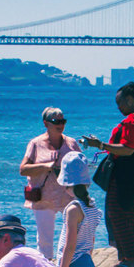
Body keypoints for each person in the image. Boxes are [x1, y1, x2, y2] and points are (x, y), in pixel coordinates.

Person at [82, 83, 134, 267]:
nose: (118, 107)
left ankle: (130, 259)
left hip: (126, 172)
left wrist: (100, 145)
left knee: (118, 214)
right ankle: (131, 259)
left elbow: (127, 149)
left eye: (120, 103)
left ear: (130, 100)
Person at [19, 106, 82, 259]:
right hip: (43, 197)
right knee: (45, 240)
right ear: (46, 123)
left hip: (67, 196)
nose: (60, 124)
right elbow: (23, 169)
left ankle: (69, 264)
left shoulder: (71, 143)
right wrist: (46, 166)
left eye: (63, 121)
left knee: (74, 234)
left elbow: (81, 166)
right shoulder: (35, 143)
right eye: (56, 121)